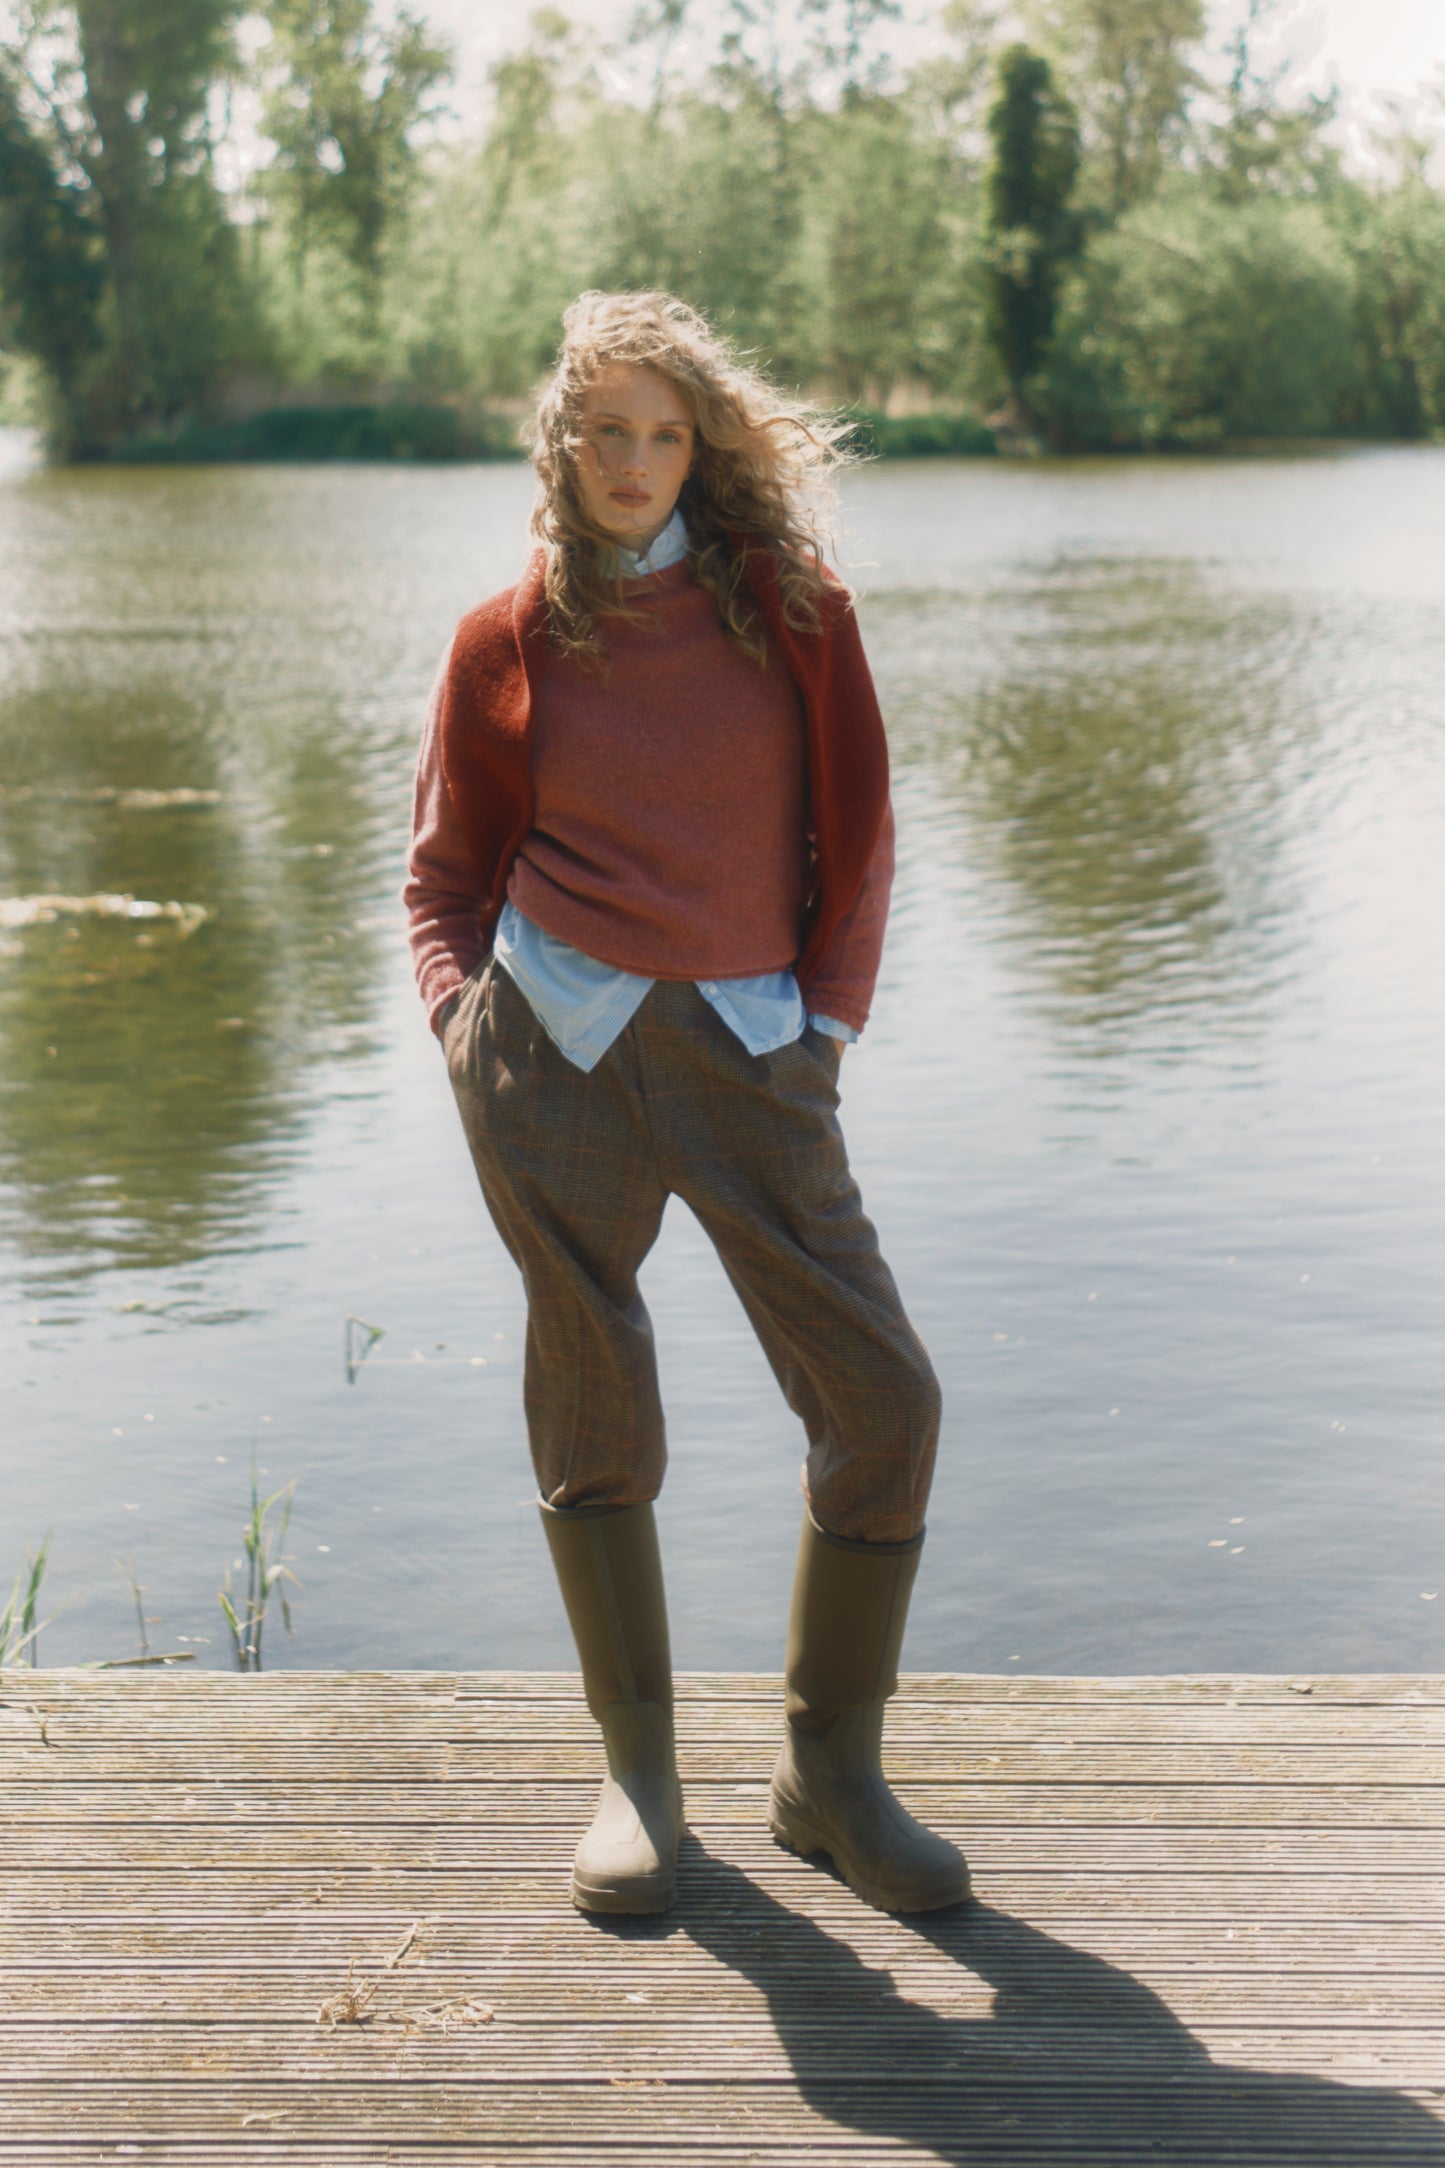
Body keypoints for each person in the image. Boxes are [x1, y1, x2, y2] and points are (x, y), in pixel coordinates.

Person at [404, 290, 968, 1921]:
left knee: (883, 1398)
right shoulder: (504, 639)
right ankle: (639, 1784)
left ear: (700, 447)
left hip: (750, 1052)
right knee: (592, 1406)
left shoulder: (794, 615)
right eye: (606, 431)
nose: (634, 461)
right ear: (561, 445)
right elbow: (443, 874)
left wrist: (826, 1030)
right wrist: (461, 1028)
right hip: (551, 1056)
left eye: (662, 433)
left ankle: (829, 1778)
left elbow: (860, 840)